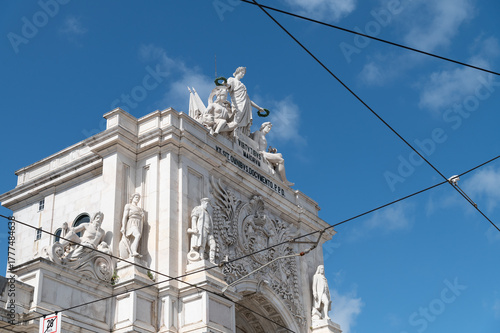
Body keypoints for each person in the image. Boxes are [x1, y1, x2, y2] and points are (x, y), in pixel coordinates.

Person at [251, 122, 294, 186]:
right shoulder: (258, 133)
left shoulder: (264, 138)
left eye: (270, 128)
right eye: (268, 127)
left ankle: (278, 177)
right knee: (281, 160)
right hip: (261, 153)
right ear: (263, 126)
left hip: (265, 153)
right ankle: (285, 181)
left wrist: (271, 152)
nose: (269, 129)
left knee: (280, 154)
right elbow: (254, 143)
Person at [226, 67, 266, 136]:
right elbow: (229, 86)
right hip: (238, 103)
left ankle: (241, 134)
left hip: (245, 105)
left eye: (244, 73)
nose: (243, 74)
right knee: (237, 118)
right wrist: (226, 84)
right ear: (238, 72)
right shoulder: (231, 79)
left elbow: (248, 100)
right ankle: (233, 131)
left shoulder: (243, 85)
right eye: (242, 72)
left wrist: (258, 108)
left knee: (243, 122)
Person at [188, 198, 216, 264]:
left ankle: (212, 260)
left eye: (208, 204)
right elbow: (194, 219)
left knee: (213, 245)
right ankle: (201, 257)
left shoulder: (207, 213)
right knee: (202, 245)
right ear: (203, 203)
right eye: (207, 204)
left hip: (209, 231)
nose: (207, 206)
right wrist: (194, 228)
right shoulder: (198, 209)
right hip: (202, 230)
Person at [120, 193, 145, 258]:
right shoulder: (128, 206)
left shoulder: (140, 209)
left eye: (138, 198)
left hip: (138, 223)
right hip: (132, 223)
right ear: (132, 198)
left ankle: (133, 250)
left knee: (137, 237)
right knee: (138, 235)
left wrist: (142, 216)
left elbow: (142, 219)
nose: (137, 199)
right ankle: (133, 251)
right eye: (136, 197)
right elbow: (125, 217)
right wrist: (123, 226)